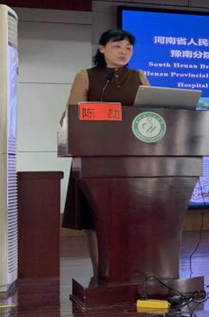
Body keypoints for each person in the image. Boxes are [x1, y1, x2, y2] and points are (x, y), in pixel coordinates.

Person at [61, 29, 149, 276]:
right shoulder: (86, 76)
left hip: (132, 157)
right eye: (117, 46)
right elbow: (72, 114)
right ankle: (102, 272)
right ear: (102, 49)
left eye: (128, 48)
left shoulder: (139, 76)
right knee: (95, 217)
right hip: (94, 156)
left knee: (131, 215)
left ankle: (133, 271)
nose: (124, 52)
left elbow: (152, 114)